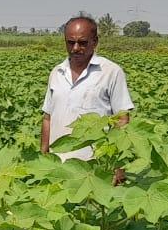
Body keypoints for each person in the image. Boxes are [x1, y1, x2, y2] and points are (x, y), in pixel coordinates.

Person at [40, 15, 133, 184]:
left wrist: (119, 167)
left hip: (96, 166)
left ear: (95, 42)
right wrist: (43, 157)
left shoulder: (111, 72)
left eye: (82, 43)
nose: (76, 48)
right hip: (58, 165)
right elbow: (47, 117)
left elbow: (122, 119)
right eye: (70, 42)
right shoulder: (56, 72)